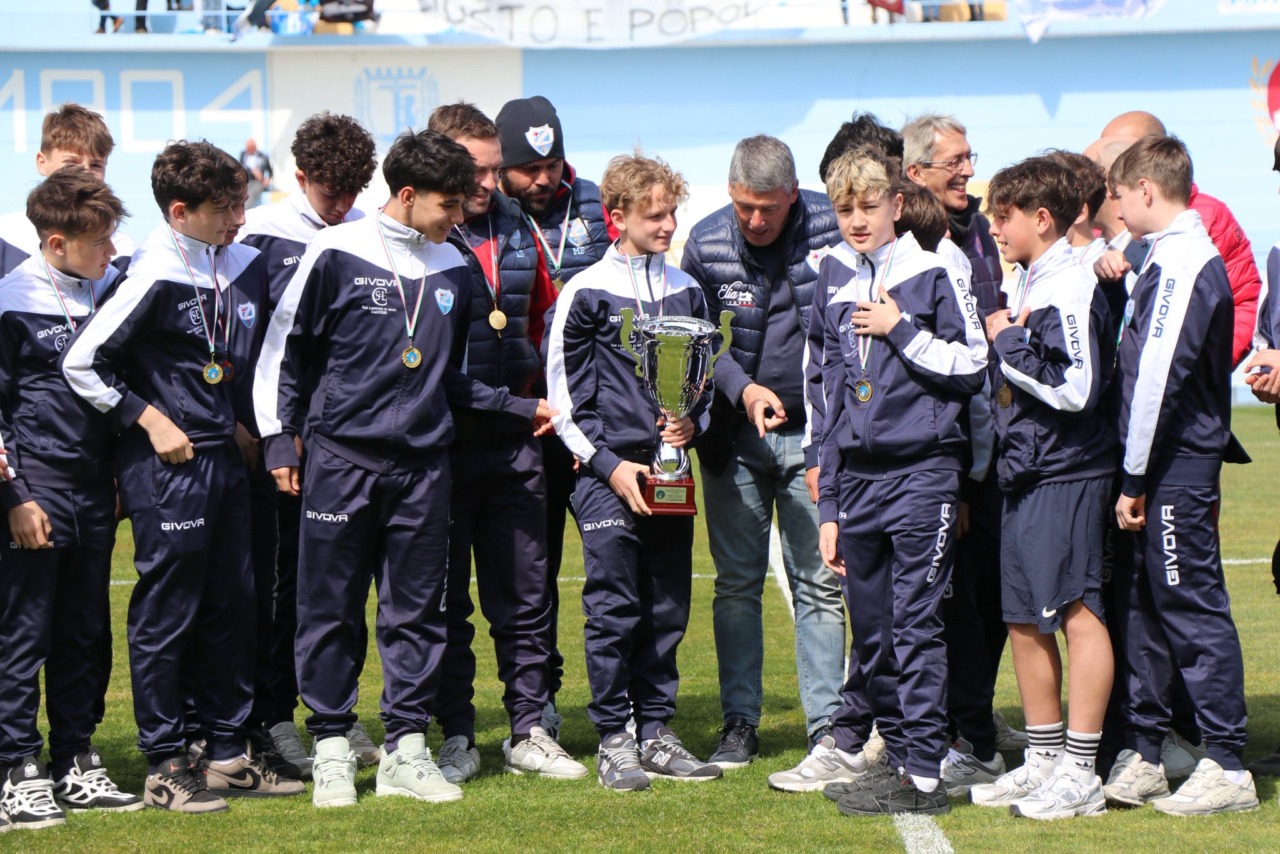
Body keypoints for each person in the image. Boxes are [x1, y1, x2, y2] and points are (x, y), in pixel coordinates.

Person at [253, 128, 554, 808]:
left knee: (415, 612)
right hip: (340, 459)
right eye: (449, 204)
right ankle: (332, 746)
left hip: (424, 467)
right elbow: (283, 354)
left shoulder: (451, 265)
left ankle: (406, 751)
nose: (459, 217)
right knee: (328, 609)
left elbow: (450, 380)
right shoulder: (334, 253)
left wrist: (517, 405)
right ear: (409, 194)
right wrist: (279, 439)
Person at [62, 140, 304, 812]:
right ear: (180, 210)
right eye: (225, 207)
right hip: (168, 467)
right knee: (169, 613)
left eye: (241, 202)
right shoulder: (149, 274)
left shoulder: (238, 265)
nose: (238, 217)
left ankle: (225, 752)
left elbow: (224, 363)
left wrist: (234, 424)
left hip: (225, 460)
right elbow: (82, 364)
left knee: (235, 605)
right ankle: (166, 761)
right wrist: (149, 419)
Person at [811, 148, 988, 816]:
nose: (857, 220)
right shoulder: (830, 270)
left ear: (894, 202)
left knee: (916, 624)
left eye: (868, 205)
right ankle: (900, 758)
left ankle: (922, 773)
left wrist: (900, 329)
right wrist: (829, 502)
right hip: (856, 479)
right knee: (876, 631)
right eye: (844, 208)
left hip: (922, 472)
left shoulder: (933, 267)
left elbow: (973, 365)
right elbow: (832, 388)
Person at [544, 150, 723, 791]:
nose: (669, 224)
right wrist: (612, 465)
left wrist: (690, 425)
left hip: (669, 471)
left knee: (669, 603)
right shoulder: (583, 291)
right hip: (606, 475)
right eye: (655, 215)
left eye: (673, 211)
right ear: (617, 216)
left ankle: (657, 729)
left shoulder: (687, 289)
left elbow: (697, 382)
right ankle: (615, 737)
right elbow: (564, 403)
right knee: (614, 604)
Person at [426, 101, 585, 784]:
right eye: (475, 169)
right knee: (444, 602)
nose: (488, 182)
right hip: (441, 444)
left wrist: (554, 403)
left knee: (524, 596)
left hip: (518, 439)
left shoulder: (521, 228)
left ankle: (527, 730)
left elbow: (549, 322)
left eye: (494, 169)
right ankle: (457, 735)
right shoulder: (420, 241)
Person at [1102, 134, 1257, 816]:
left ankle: (1226, 762)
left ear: (1144, 190)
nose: (1112, 208)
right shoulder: (1159, 255)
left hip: (1175, 468)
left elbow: (1157, 379)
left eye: (1116, 194)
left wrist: (1133, 477)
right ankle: (1146, 748)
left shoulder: (1189, 259)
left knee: (1190, 607)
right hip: (1155, 467)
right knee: (1143, 606)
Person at [679, 134, 846, 767]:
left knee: (820, 585)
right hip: (734, 440)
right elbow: (696, 340)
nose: (755, 220)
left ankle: (828, 727)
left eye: (769, 209)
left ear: (794, 194)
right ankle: (739, 725)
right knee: (737, 585)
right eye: (745, 206)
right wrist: (742, 390)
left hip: (817, 437)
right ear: (729, 192)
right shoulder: (705, 240)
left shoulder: (836, 224)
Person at [965, 156, 1117, 819]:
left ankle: (1081, 769)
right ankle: (1044, 758)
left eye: (1004, 216)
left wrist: (1008, 343)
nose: (995, 228)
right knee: (1024, 619)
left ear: (1042, 218)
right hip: (1025, 470)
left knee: (1077, 614)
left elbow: (1076, 388)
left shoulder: (1074, 283)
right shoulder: (1034, 279)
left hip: (1068, 468)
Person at [237, 112, 379, 777]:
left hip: (349, 446)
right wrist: (268, 433)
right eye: (330, 193)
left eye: (354, 192)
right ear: (299, 178)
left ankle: (336, 716)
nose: (343, 205)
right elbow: (253, 348)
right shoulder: (260, 235)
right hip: (281, 449)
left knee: (343, 590)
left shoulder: (365, 232)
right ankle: (270, 719)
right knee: (281, 590)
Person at [0, 169, 139, 831]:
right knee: (23, 636)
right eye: (98, 243)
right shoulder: (11, 300)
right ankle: (15, 769)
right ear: (57, 243)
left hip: (94, 494)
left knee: (86, 634)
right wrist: (15, 496)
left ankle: (76, 762)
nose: (111, 253)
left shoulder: (108, 291)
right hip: (35, 495)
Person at [903, 112, 1025, 760]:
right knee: (945, 602)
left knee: (986, 595)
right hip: (940, 451)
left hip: (988, 447)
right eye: (956, 161)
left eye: (971, 157)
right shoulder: (907, 242)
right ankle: (954, 726)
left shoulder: (978, 230)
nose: (969, 172)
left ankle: (970, 726)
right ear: (915, 172)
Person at [496, 96, 614, 733]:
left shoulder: (597, 205)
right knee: (530, 572)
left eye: (551, 163)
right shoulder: (494, 214)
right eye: (526, 168)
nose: (541, 179)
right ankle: (538, 698)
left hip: (596, 422)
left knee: (614, 567)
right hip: (529, 423)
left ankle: (622, 702)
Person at [1100, 111, 1261, 367]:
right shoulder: (1100, 217)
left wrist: (1206, 370)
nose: (1106, 154)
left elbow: (1242, 299)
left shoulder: (1209, 216)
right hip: (1123, 382)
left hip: (1180, 384)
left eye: (1119, 148)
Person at [0, 103, 134, 278]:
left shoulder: (121, 249)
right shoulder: (6, 235)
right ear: (42, 162)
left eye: (96, 165)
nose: (84, 173)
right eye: (71, 163)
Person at [240, 139, 273, 208]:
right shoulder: (243, 155)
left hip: (257, 182)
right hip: (246, 181)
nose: (248, 150)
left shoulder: (263, 157)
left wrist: (267, 179)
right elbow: (239, 168)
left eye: (250, 147)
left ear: (255, 147)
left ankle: (246, 210)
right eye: (247, 148)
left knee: (251, 192)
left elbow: (270, 171)